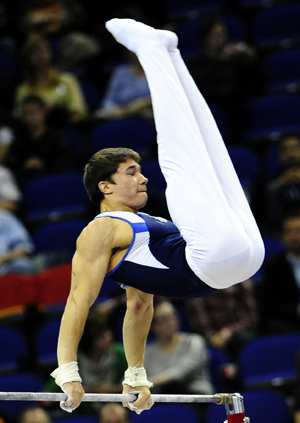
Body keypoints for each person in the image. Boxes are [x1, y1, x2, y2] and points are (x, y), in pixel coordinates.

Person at [50, 18, 264, 415]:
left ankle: (170, 53)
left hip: (239, 256)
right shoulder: (99, 231)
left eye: (139, 170)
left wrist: (136, 372)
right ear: (105, 187)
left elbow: (140, 307)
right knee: (180, 154)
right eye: (131, 172)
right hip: (212, 260)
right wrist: (67, 368)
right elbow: (77, 302)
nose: (143, 178)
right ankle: (149, 50)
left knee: (211, 149)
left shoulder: (146, 226)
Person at [14, 33, 88, 126]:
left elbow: (80, 113)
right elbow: (20, 117)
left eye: (42, 50)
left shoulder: (67, 81)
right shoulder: (23, 89)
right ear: (27, 58)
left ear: (49, 53)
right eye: (34, 52)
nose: (40, 55)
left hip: (64, 129)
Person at [144, 301, 214, 394]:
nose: (171, 322)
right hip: (161, 398)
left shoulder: (194, 342)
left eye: (173, 316)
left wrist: (146, 383)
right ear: (153, 326)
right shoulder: (147, 352)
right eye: (164, 319)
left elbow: (179, 373)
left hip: (195, 396)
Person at [184, 279, 259, 362]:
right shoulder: (199, 285)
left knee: (247, 339)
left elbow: (251, 318)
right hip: (212, 337)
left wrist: (227, 333)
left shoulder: (240, 282)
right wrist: (212, 337)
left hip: (237, 333)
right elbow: (200, 320)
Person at [5, 95, 74, 185]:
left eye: (33, 113)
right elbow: (12, 163)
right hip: (28, 181)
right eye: (25, 114)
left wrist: (44, 164)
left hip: (53, 178)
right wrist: (25, 164)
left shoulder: (56, 137)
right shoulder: (18, 138)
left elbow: (66, 161)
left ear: (43, 113)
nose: (30, 118)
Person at [258, 211, 300, 335]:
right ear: (282, 236)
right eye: (288, 232)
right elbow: (273, 304)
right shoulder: (274, 265)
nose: (294, 237)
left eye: (298, 231)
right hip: (289, 322)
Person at [94, 51, 152, 121]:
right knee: (99, 115)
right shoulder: (121, 72)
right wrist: (115, 109)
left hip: (148, 113)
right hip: (123, 112)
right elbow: (109, 99)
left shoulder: (158, 73)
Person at [264, 135, 300, 232]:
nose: (290, 153)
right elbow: (270, 216)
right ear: (279, 157)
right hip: (283, 230)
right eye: (285, 150)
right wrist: (278, 185)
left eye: (295, 148)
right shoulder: (270, 183)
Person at [0, 207, 35, 276]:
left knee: (22, 264)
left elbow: (24, 248)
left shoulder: (4, 217)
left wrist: (4, 258)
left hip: (7, 266)